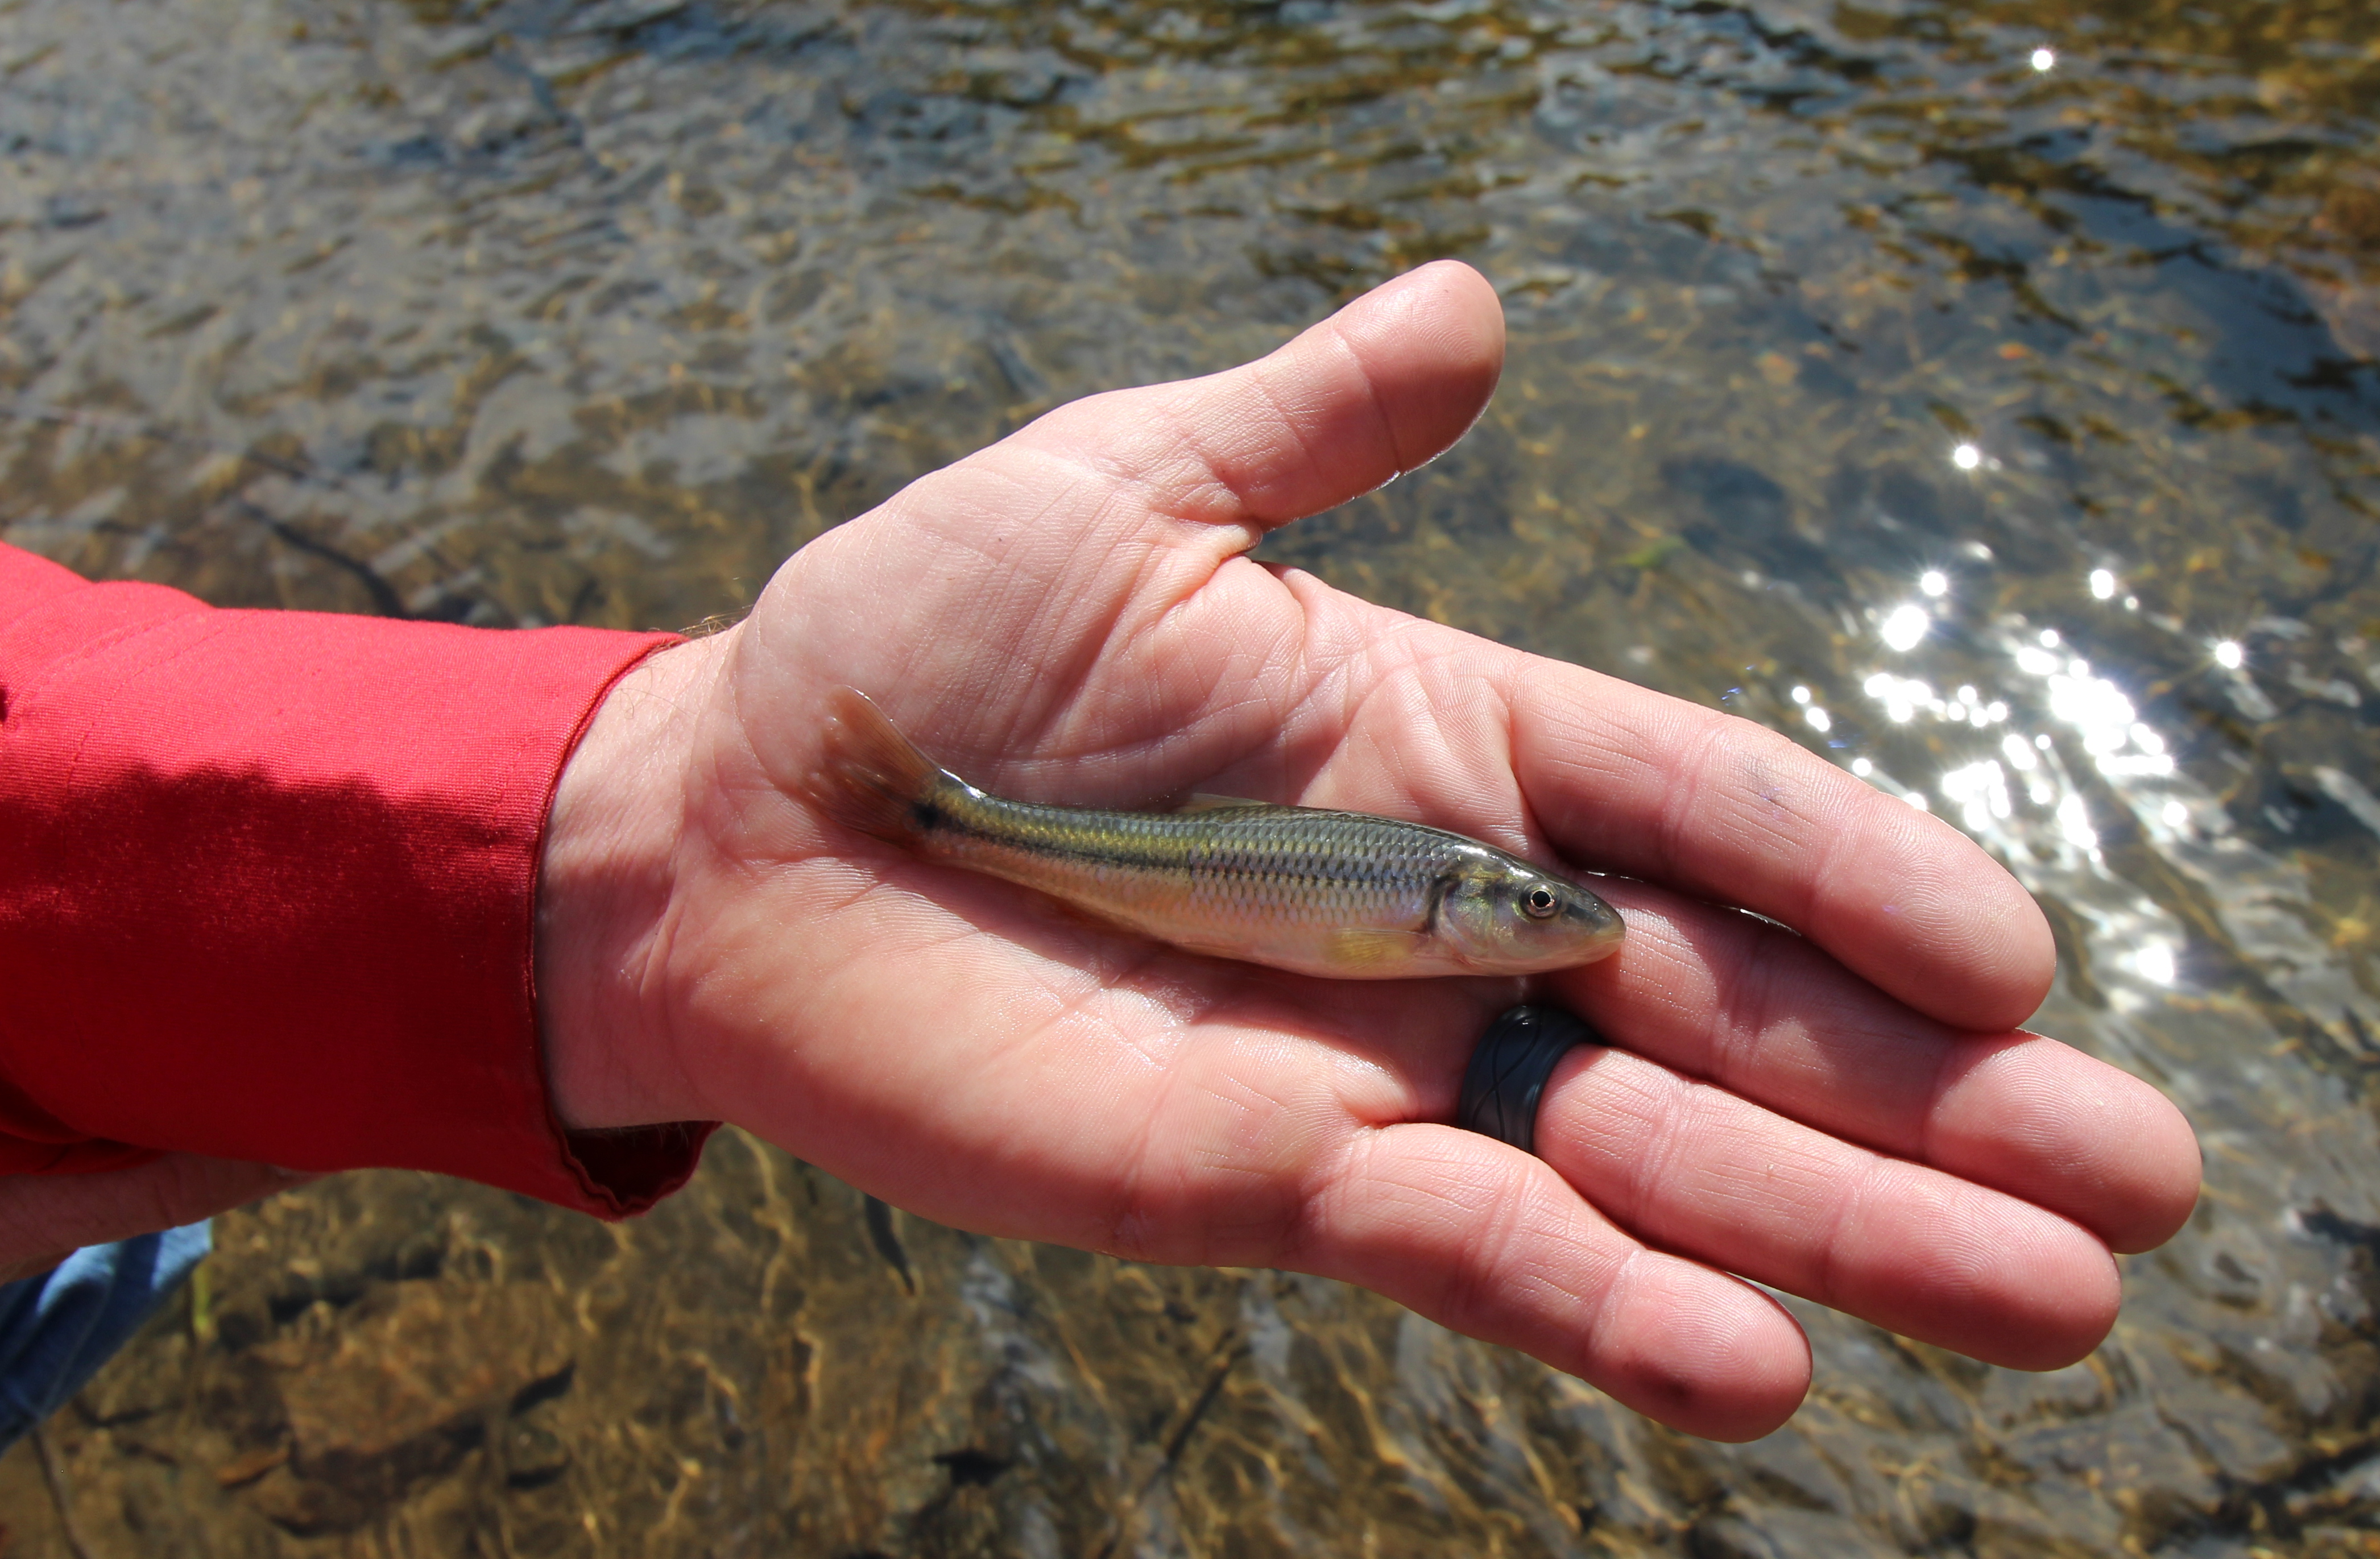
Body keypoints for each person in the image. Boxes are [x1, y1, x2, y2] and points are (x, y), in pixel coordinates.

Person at [0, 261, 2199, 1443]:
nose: (1539, 925)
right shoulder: (1416, 902)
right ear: (1470, 907)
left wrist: (609, 834)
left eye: (1527, 910)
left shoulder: (1427, 900)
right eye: (1525, 906)